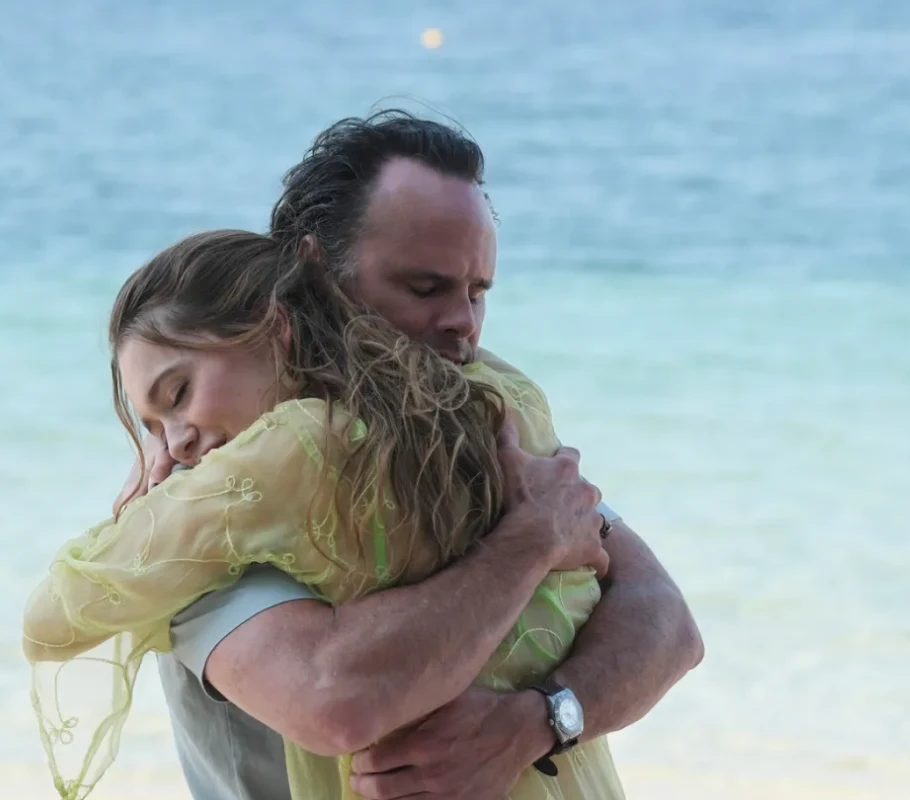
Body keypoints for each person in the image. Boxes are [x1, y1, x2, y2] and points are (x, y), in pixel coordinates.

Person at [136, 111, 702, 800]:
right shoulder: (209, 496)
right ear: (316, 274)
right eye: (425, 288)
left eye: (477, 293)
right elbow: (338, 701)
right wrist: (532, 542)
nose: (464, 323)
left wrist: (537, 721)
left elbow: (667, 621)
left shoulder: (475, 417)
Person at [23, 228, 627, 800]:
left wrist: (140, 518)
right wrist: (546, 706)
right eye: (153, 429)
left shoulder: (274, 458)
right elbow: (657, 610)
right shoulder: (494, 396)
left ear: (274, 326)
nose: (175, 446)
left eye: (179, 393)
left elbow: (50, 619)